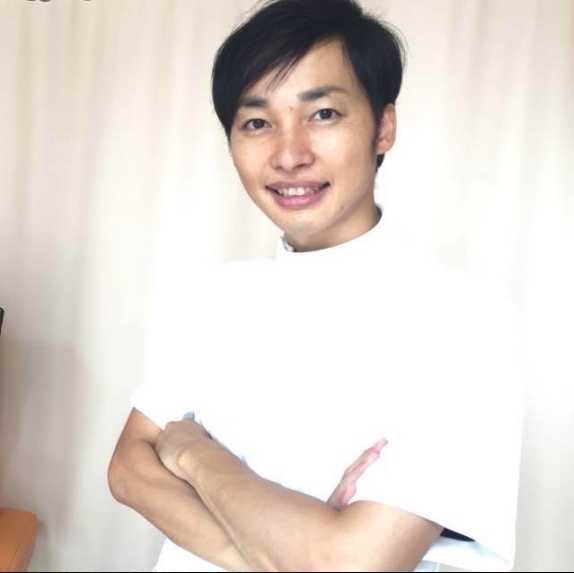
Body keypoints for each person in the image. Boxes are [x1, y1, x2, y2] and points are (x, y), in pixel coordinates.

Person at [108, 0, 524, 571]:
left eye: (323, 114)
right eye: (258, 122)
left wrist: (193, 454)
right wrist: (286, 554)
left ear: (383, 128)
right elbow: (128, 470)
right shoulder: (217, 297)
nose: (288, 154)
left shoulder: (464, 319)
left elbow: (350, 564)